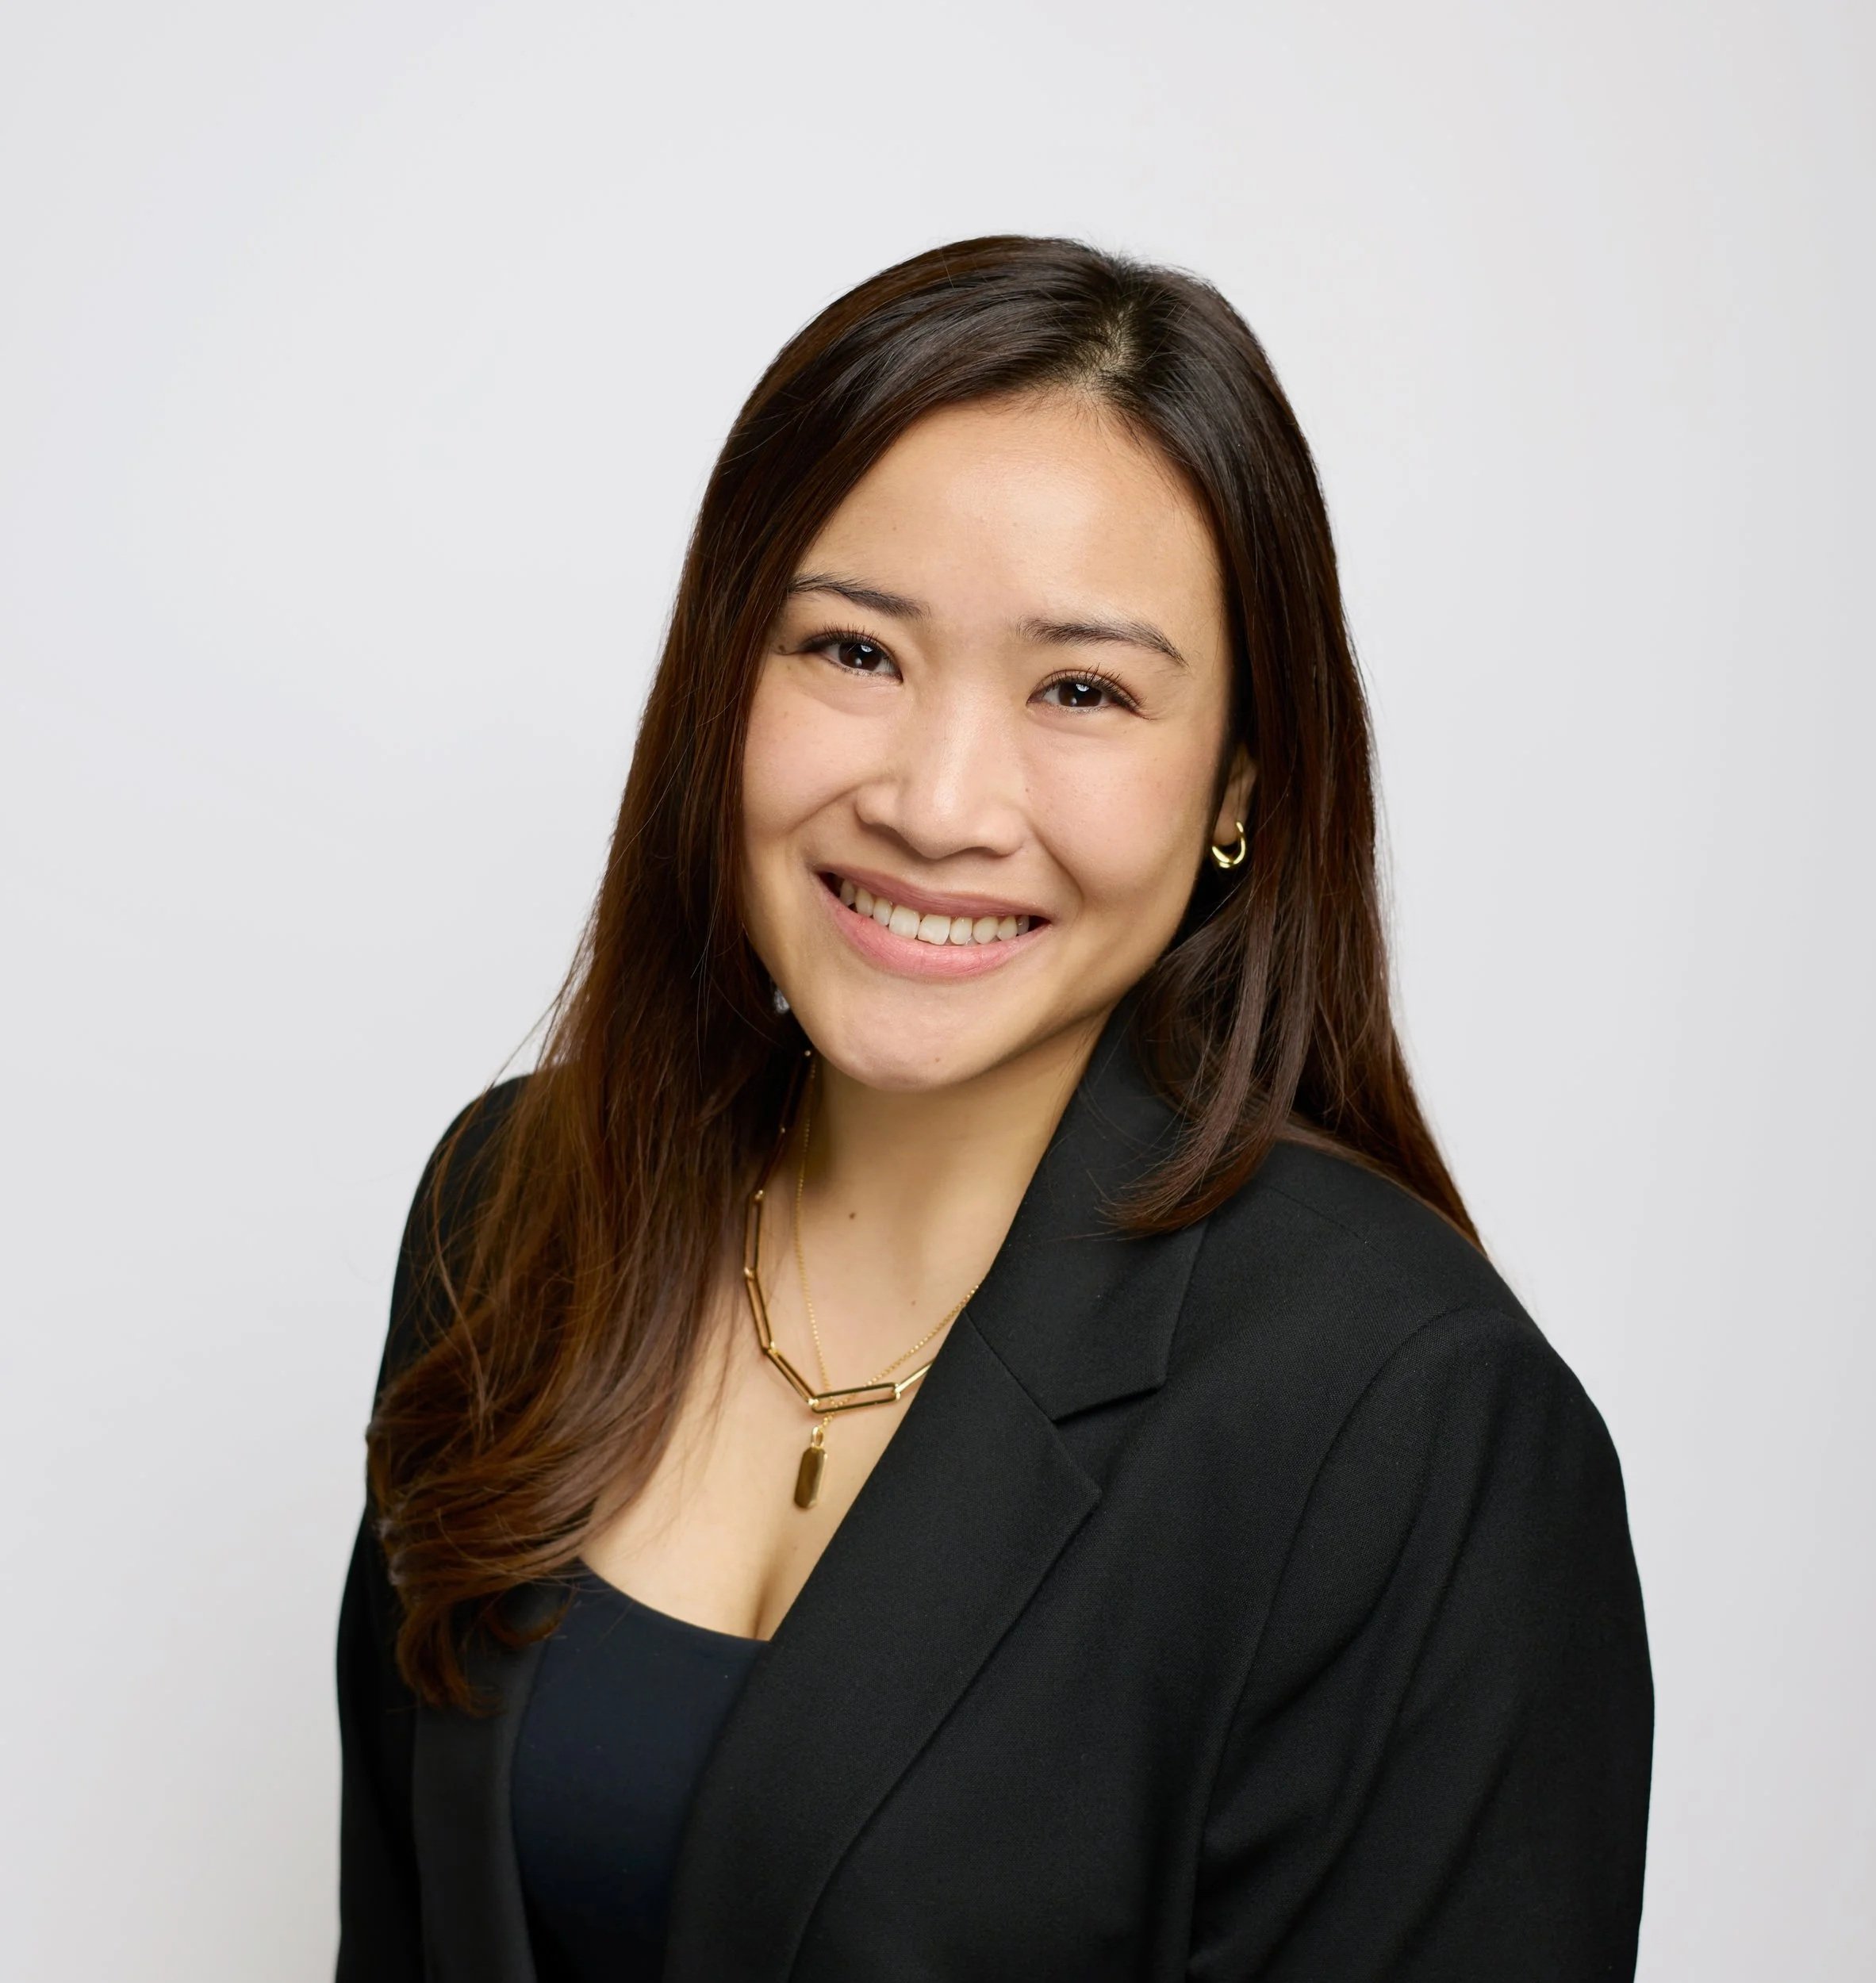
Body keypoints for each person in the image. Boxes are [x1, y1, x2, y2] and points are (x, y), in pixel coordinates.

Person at [336, 234, 1653, 1983]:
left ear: (1238, 783)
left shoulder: (1409, 1428)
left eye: (1082, 691)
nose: (939, 802)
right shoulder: (511, 1200)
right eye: (851, 650)